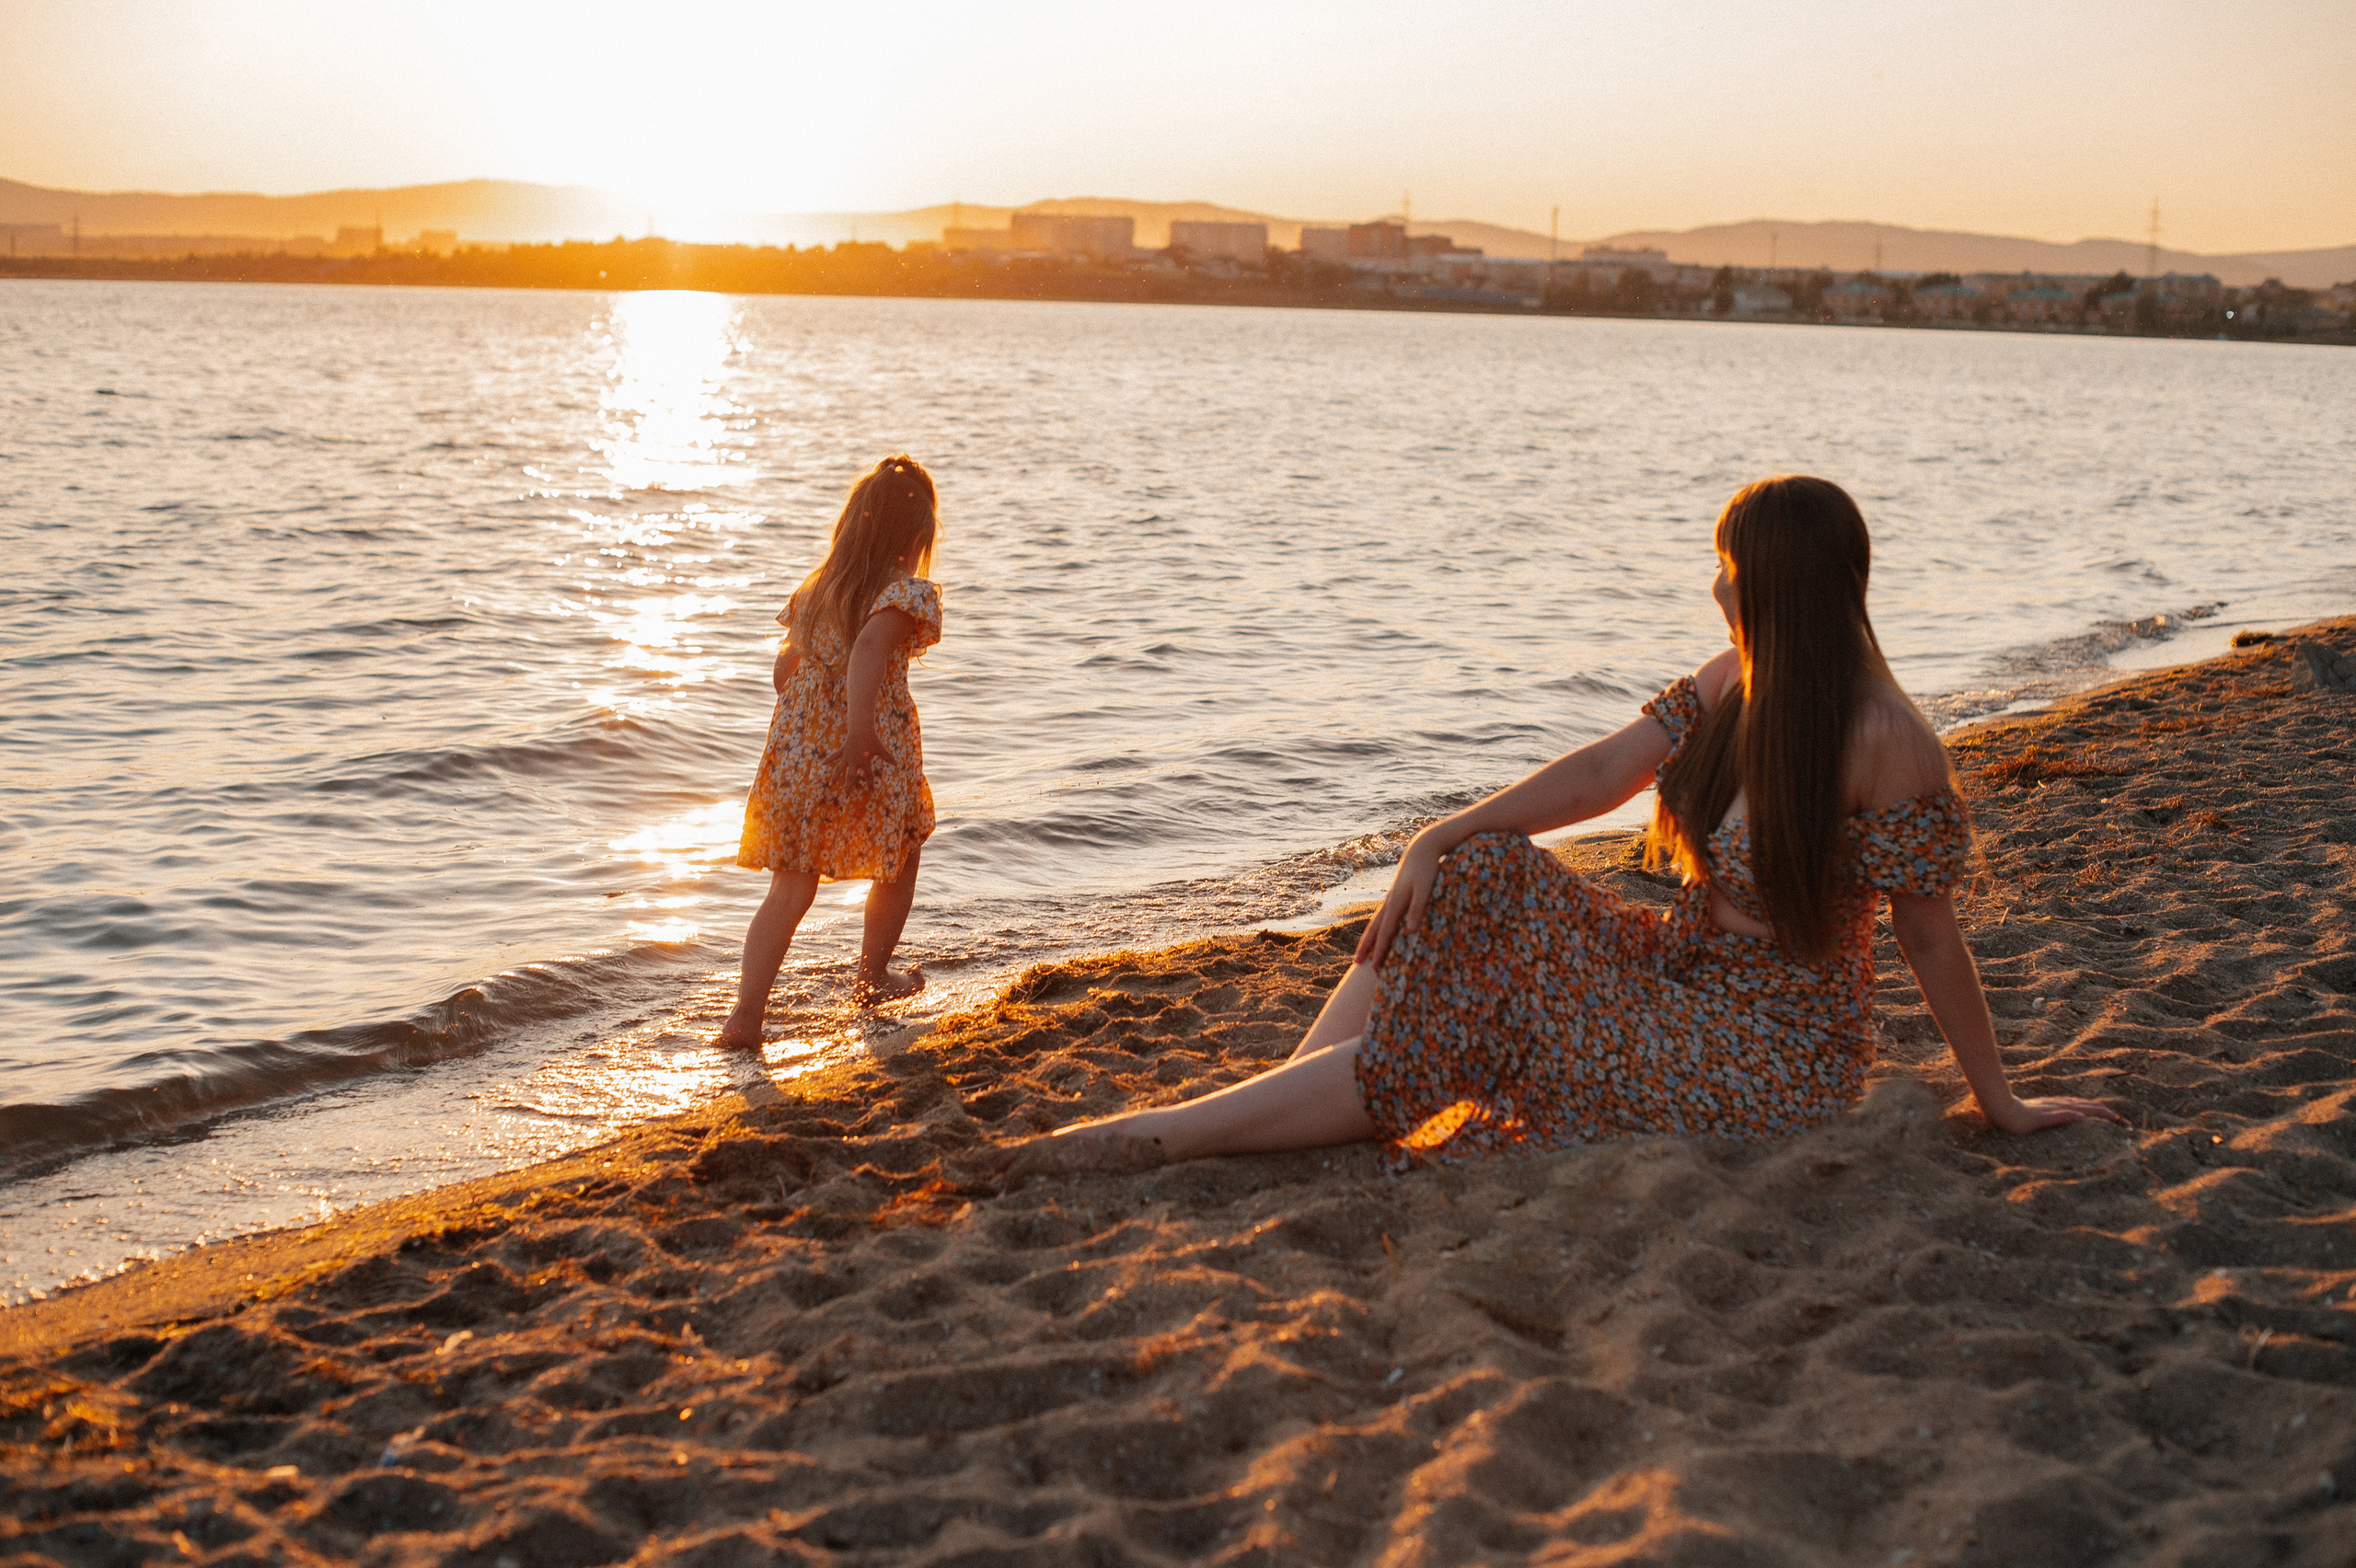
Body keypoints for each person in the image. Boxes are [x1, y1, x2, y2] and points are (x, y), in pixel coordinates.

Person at [1012, 475, 2121, 1169]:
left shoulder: (1886, 738)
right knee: (1479, 871)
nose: (1715, 590)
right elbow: (1602, 771)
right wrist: (1435, 836)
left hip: (1767, 1055)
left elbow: (1929, 937)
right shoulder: (1736, 678)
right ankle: (1282, 1107)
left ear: (1781, 586)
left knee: (1497, 1014)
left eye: (1730, 570)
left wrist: (2001, 1101)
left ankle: (1172, 1138)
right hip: (1675, 978)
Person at [718, 455, 942, 1050]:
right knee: (900, 858)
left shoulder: (817, 592)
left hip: (798, 757)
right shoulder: (903, 595)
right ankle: (871, 979)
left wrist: (806, 729)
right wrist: (858, 729)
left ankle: (746, 1016)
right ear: (917, 539)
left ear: (849, 528)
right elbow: (870, 649)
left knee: (790, 889)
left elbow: (784, 671)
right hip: (864, 749)